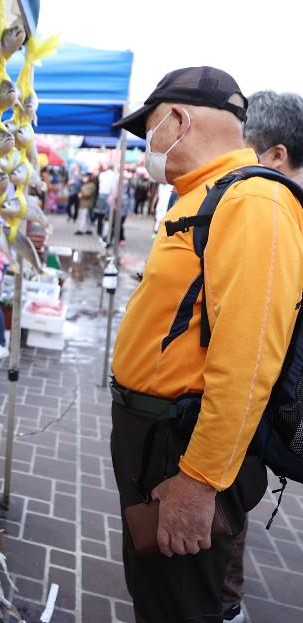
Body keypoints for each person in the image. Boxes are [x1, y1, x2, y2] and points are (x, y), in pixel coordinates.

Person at [109, 67, 303, 623]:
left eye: (149, 131)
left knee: (180, 605)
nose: (148, 147)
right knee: (156, 593)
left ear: (178, 120)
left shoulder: (253, 202)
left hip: (182, 447)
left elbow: (247, 361)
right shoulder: (205, 195)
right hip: (157, 438)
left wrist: (199, 483)